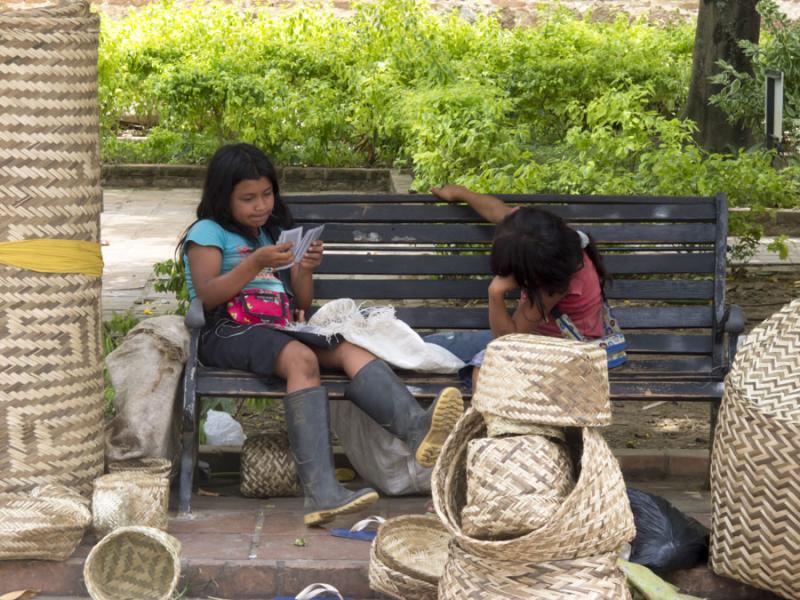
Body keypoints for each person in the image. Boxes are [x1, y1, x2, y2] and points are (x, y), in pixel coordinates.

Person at [179, 143, 463, 526]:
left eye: (266, 194)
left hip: (276, 328)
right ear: (222, 197)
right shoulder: (208, 232)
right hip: (227, 330)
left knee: (349, 348)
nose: (260, 205)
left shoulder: (272, 234)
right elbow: (208, 295)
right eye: (247, 198)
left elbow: (302, 299)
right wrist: (255, 262)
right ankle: (321, 491)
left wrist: (304, 268)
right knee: (302, 358)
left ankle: (417, 429)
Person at [427, 184, 609, 387]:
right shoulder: (534, 231)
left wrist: (495, 293)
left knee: (482, 372)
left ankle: (496, 416)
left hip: (570, 351)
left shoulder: (557, 283)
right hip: (532, 335)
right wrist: (460, 193)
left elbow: (507, 342)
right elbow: (495, 210)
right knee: (433, 345)